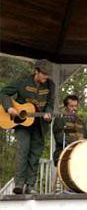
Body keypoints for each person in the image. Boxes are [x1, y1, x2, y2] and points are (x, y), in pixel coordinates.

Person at [0, 59, 55, 194]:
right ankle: (19, 184)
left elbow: (50, 104)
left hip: (40, 124)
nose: (46, 77)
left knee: (35, 155)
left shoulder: (50, 85)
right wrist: (10, 108)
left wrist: (48, 113)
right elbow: (3, 93)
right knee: (22, 151)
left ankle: (30, 185)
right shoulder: (23, 81)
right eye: (44, 74)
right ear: (36, 71)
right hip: (22, 123)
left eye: (47, 75)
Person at [53, 95, 87, 167]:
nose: (74, 108)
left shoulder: (81, 122)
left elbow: (85, 139)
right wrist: (77, 140)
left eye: (76, 106)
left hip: (80, 153)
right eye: (71, 106)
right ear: (66, 107)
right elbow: (60, 138)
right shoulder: (60, 119)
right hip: (64, 152)